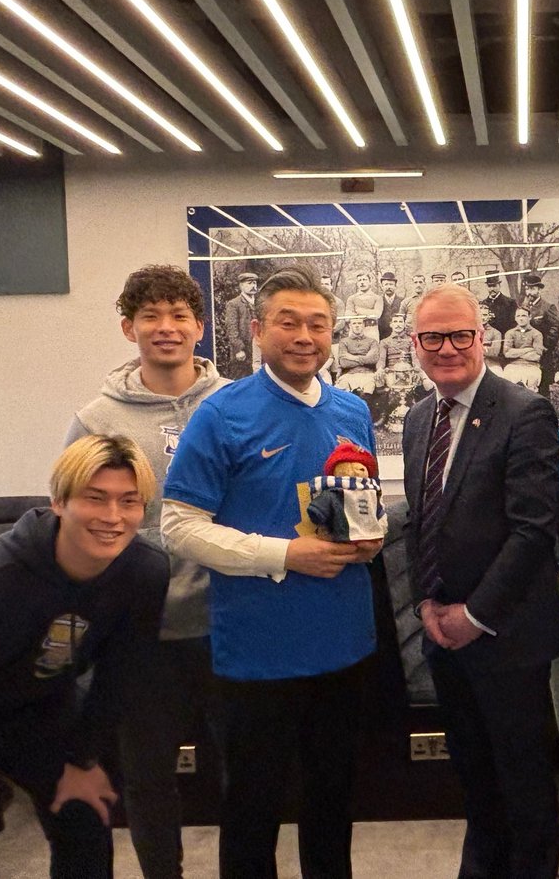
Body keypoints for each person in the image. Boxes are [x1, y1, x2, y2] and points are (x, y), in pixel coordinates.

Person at [160, 265, 381, 879]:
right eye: (289, 322)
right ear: (257, 331)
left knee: (333, 804)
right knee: (252, 811)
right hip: (258, 652)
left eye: (318, 324)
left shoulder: (351, 409)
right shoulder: (221, 414)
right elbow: (178, 527)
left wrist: (368, 540)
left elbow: (352, 504)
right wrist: (284, 555)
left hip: (343, 642)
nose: (304, 336)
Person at [0, 435, 168, 879]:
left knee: (87, 821)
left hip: (41, 710)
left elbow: (120, 676)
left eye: (129, 501)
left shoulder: (144, 571)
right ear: (59, 501)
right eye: (95, 499)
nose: (113, 518)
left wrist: (83, 759)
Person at [63, 265, 229, 879]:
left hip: (228, 621)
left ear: (199, 326)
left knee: (241, 769)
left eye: (179, 315)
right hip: (140, 633)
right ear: (129, 327)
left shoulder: (236, 403)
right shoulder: (95, 420)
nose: (167, 328)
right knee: (148, 780)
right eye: (151, 316)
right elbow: (77, 522)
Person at [403, 284, 559, 879]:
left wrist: (472, 617)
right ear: (414, 344)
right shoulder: (422, 419)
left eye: (461, 335)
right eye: (433, 337)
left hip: (508, 639)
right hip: (442, 636)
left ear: (483, 338)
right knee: (474, 779)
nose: (448, 348)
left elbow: (532, 532)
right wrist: (426, 603)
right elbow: (425, 522)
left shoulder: (525, 412)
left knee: (522, 785)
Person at [520, 274, 559, 396]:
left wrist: (545, 346)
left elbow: (557, 328)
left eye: (532, 289)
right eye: (527, 289)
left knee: (542, 387)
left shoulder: (548, 307)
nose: (529, 292)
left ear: (539, 289)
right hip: (526, 352)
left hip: (543, 354)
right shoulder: (523, 306)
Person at [223, 272, 257, 379]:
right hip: (243, 352)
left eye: (255, 283)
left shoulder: (259, 303)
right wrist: (239, 349)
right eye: (249, 283)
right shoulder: (234, 304)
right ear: (241, 286)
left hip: (258, 350)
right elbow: (232, 329)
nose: (253, 286)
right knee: (241, 381)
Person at [502, 306, 544, 390]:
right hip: (513, 365)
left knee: (531, 383)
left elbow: (537, 356)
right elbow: (507, 353)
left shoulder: (537, 334)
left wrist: (515, 353)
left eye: (524, 316)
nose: (521, 319)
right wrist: (528, 350)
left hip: (531, 366)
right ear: (515, 318)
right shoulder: (510, 333)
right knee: (509, 383)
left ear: (530, 317)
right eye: (518, 316)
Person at [336, 316, 380, 394]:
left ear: (364, 325)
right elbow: (344, 363)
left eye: (359, 323)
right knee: (343, 387)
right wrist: (366, 358)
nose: (357, 325)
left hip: (367, 373)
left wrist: (351, 357)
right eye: (354, 323)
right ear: (350, 326)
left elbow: (373, 359)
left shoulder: (372, 341)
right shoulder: (344, 342)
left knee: (369, 387)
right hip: (349, 374)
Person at [482, 270, 517, 336]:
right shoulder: (483, 304)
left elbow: (513, 325)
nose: (492, 289)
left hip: (504, 337)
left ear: (499, 285)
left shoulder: (510, 303)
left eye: (494, 286)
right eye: (489, 286)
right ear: (486, 287)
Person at [478, 303, 504, 376]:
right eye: (480, 315)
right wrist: (486, 348)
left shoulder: (495, 333)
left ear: (489, 316)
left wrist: (476, 348)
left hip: (491, 364)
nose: (482, 317)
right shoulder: (470, 331)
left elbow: (494, 352)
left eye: (485, 315)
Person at [378, 271, 404, 340]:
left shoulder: (403, 301)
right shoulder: (378, 301)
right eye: (386, 284)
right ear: (382, 286)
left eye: (391, 284)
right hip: (382, 337)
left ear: (395, 286)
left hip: (399, 337)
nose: (388, 287)